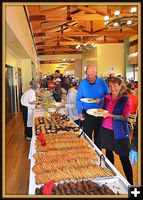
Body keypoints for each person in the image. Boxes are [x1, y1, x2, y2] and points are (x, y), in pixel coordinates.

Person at [98, 77, 133, 184]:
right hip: (106, 131)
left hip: (120, 133)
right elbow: (101, 109)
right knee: (109, 154)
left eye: (115, 86)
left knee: (124, 158)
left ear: (120, 86)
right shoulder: (106, 98)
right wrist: (98, 105)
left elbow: (124, 118)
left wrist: (110, 115)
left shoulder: (125, 99)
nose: (112, 88)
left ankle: (131, 183)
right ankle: (112, 177)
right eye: (110, 86)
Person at [76, 63, 109, 145]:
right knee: (87, 137)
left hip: (100, 113)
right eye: (87, 75)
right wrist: (79, 112)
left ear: (96, 73)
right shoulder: (82, 83)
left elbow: (108, 96)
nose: (89, 77)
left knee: (98, 138)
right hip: (87, 113)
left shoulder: (102, 82)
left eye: (91, 74)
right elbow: (78, 99)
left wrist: (101, 100)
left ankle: (98, 154)